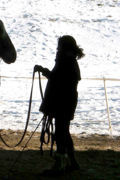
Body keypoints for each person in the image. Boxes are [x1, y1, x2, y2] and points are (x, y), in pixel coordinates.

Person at [34, 35, 84, 175]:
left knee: (61, 133)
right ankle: (72, 162)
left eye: (59, 45)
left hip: (62, 102)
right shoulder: (67, 61)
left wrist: (53, 104)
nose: (57, 48)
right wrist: (44, 70)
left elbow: (60, 82)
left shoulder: (66, 61)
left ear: (63, 46)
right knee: (64, 132)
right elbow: (58, 78)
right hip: (65, 102)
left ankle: (60, 165)